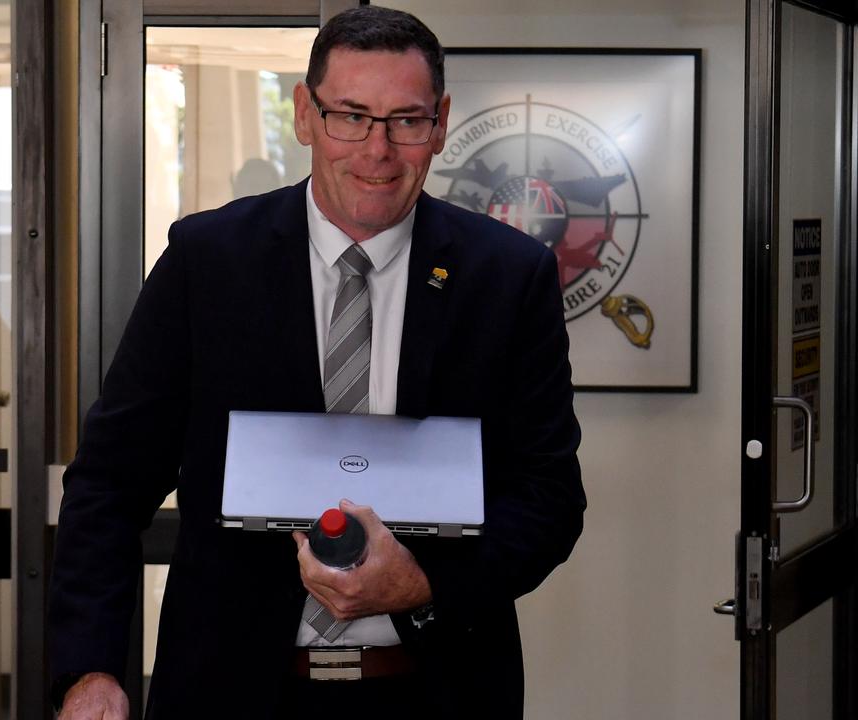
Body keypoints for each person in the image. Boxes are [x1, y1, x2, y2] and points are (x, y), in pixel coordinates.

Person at [49, 7, 585, 719]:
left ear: (441, 123)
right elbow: (109, 485)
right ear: (305, 114)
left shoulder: (508, 277)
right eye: (351, 116)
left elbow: (549, 500)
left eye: (406, 120)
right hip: (228, 692)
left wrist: (420, 583)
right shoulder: (206, 264)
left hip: (437, 689)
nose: (377, 149)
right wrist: (89, 670)